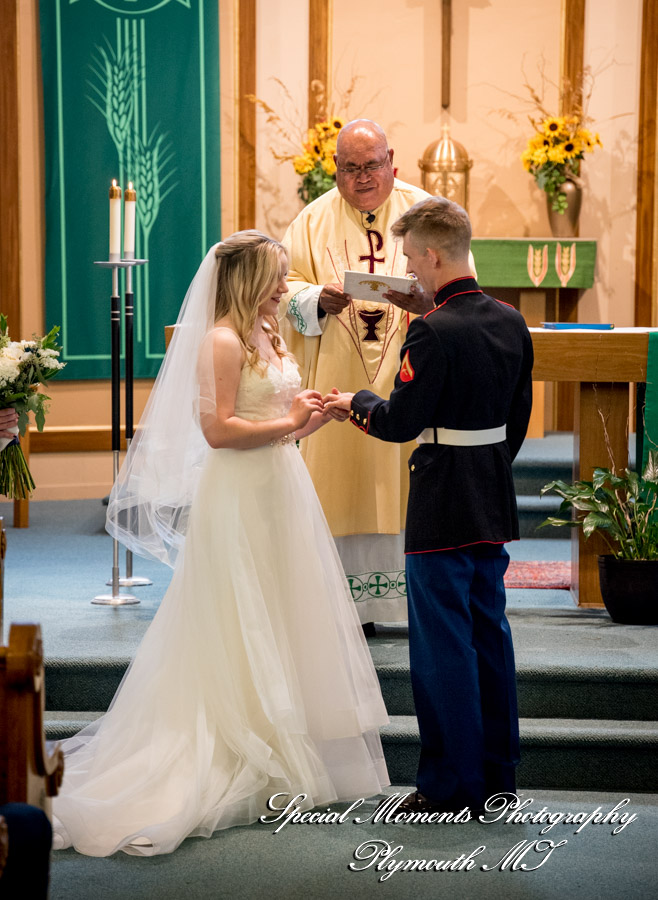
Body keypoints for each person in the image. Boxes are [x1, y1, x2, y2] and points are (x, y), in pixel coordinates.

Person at [52, 231, 389, 857]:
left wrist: (311, 418)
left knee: (282, 608)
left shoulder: (268, 333)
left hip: (280, 486)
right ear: (242, 282)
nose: (284, 288)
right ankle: (238, 739)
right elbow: (217, 430)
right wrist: (289, 421)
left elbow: (275, 425)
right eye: (275, 277)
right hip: (237, 495)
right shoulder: (222, 340)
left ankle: (283, 727)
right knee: (240, 616)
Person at [325, 197, 533, 813]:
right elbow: (516, 421)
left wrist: (356, 401)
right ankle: (497, 777)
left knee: (442, 651)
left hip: (442, 507)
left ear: (434, 254)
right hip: (492, 500)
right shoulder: (508, 320)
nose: (408, 271)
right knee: (489, 638)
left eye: (412, 258)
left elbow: (398, 423)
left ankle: (450, 786)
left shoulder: (431, 331)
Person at [281, 119, 431, 626]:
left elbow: (458, 279)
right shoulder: (309, 221)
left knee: (400, 484)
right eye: (349, 168)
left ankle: (403, 609)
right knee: (336, 484)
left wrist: (422, 299)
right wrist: (314, 299)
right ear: (336, 169)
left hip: (407, 377)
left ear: (393, 161)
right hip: (333, 385)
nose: (362, 178)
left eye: (371, 165)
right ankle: (340, 611)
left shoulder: (426, 214)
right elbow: (283, 291)